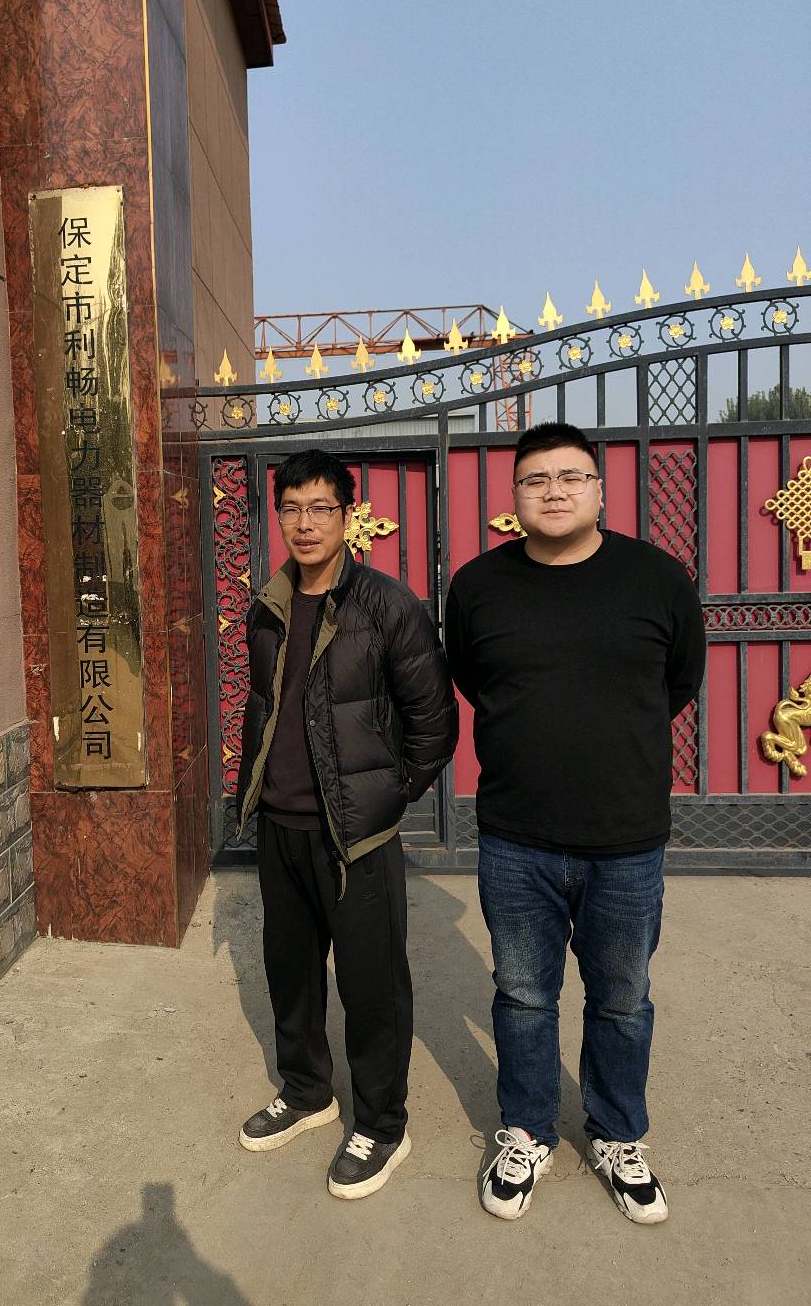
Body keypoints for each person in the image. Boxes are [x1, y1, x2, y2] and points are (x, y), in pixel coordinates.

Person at [445, 422, 705, 1225]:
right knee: (523, 995)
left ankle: (618, 1134)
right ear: (514, 496)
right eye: (535, 480)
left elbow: (678, 682)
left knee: (622, 999)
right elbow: (475, 680)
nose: (553, 491)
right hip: (515, 837)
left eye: (570, 477)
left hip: (625, 839)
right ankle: (527, 1131)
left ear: (599, 489)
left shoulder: (657, 579)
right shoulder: (479, 585)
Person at [236, 448, 457, 1200]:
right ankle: (305, 1091)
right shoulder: (267, 605)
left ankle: (382, 1124)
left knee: (372, 987)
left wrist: (388, 799)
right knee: (290, 973)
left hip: (357, 837)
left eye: (320, 509)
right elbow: (263, 707)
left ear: (347, 516)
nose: (305, 524)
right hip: (281, 827)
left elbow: (434, 720)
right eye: (292, 509)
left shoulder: (386, 605)